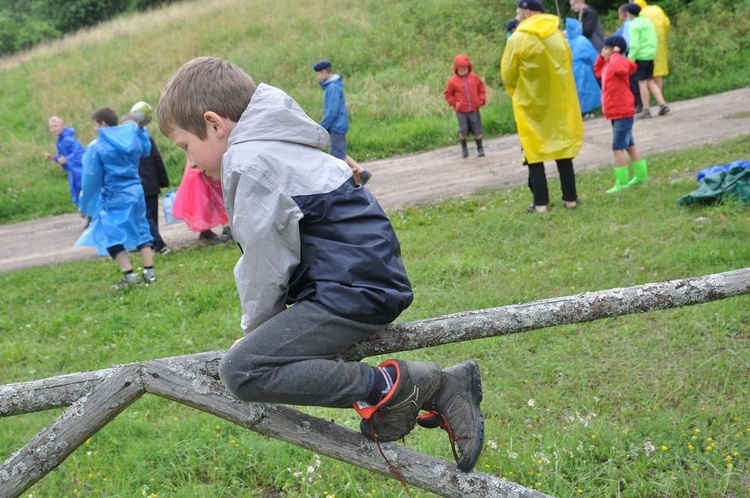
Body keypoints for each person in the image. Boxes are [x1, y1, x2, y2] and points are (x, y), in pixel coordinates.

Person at [157, 56, 484, 473]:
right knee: (264, 359)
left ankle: (395, 386)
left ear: (214, 124)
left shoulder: (246, 161)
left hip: (351, 290)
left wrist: (257, 335)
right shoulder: (277, 142)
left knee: (242, 370)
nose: (190, 162)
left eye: (186, 146)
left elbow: (265, 259)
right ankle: (432, 388)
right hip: (365, 281)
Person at [501, 0, 584, 213]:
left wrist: (517, 91)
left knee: (533, 153)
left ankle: (541, 204)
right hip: (558, 102)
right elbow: (568, 61)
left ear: (528, 12)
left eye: (518, 13)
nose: (517, 17)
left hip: (530, 105)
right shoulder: (557, 36)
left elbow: (508, 74)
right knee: (562, 149)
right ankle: (570, 199)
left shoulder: (518, 39)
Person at [75, 107, 156, 290]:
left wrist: (86, 204)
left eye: (95, 124)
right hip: (136, 191)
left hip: (114, 195)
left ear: (103, 124)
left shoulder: (97, 146)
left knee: (109, 234)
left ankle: (129, 276)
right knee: (141, 228)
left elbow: (90, 177)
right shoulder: (132, 137)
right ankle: (150, 273)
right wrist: (142, 129)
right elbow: (146, 150)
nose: (94, 128)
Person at [594, 35, 649, 193]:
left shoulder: (618, 63)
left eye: (606, 49)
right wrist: (602, 55)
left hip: (622, 111)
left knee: (617, 148)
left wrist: (616, 54)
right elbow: (597, 70)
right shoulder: (607, 65)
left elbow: (621, 68)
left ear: (615, 51)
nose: (602, 51)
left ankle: (622, 182)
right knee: (629, 145)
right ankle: (641, 175)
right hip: (615, 112)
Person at [312, 59, 372, 185]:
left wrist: (322, 127)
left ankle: (349, 181)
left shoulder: (332, 88)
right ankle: (362, 173)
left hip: (336, 126)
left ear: (324, 72)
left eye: (318, 74)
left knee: (337, 157)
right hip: (338, 125)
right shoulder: (333, 86)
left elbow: (332, 112)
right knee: (340, 152)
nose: (317, 77)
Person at [124, 102, 172, 255]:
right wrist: (163, 180)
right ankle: (151, 243)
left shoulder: (124, 143)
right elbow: (157, 158)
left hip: (137, 184)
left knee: (145, 217)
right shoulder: (145, 137)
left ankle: (158, 244)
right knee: (151, 216)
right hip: (151, 183)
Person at [172, 158, 233, 244]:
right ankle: (222, 229)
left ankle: (208, 231)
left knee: (206, 200)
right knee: (208, 199)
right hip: (199, 168)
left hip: (197, 168)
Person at [625, 3, 670, 119]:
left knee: (642, 83)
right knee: (649, 81)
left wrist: (630, 59)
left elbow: (634, 44)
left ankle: (646, 109)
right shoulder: (647, 22)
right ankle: (662, 104)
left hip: (640, 57)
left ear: (630, 13)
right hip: (650, 55)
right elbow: (654, 38)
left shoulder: (634, 25)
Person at [443, 54, 487, 158]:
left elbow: (481, 89)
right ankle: (464, 148)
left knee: (477, 130)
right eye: (460, 70)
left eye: (465, 69)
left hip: (474, 109)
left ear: (469, 68)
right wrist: (455, 103)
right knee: (463, 131)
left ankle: (480, 148)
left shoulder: (474, 77)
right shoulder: (453, 81)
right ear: (456, 69)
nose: (462, 72)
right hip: (461, 111)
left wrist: (481, 100)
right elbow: (448, 94)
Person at [43, 116, 85, 210]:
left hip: (79, 171)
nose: (54, 129)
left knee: (83, 194)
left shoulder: (67, 139)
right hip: (73, 172)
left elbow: (80, 152)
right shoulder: (60, 141)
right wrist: (53, 158)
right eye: (51, 127)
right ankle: (88, 215)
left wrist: (68, 159)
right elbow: (62, 156)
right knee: (79, 194)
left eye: (56, 126)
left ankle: (91, 216)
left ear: (62, 126)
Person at [565, 17, 602, 120]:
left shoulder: (566, 41)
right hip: (584, 68)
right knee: (587, 89)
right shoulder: (582, 40)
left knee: (576, 90)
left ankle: (579, 112)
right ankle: (588, 112)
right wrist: (598, 64)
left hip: (571, 68)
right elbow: (592, 54)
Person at [634, 0, 670, 90]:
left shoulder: (639, 15)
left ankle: (647, 98)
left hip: (645, 46)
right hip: (660, 43)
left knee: (646, 74)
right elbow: (667, 24)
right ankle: (659, 94)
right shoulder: (657, 9)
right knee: (659, 70)